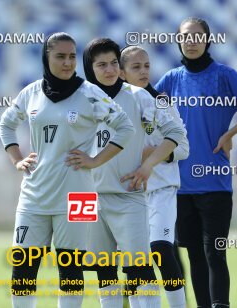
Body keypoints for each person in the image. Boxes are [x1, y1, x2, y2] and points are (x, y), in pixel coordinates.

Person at [0, 32, 135, 308]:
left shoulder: (90, 93)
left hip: (79, 196)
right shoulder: (31, 92)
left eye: (72, 56)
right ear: (46, 58)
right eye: (60, 56)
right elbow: (6, 124)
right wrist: (17, 159)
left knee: (70, 271)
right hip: (34, 195)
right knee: (22, 268)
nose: (67, 62)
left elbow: (125, 127)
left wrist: (95, 160)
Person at [155, 17, 237, 308]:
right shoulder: (171, 80)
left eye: (198, 36)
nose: (192, 41)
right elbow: (146, 115)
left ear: (208, 40)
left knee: (215, 253)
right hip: (179, 186)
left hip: (216, 183)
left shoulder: (224, 76)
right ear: (178, 41)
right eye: (186, 36)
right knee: (195, 254)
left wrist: (231, 132)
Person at [78, 38, 186, 308]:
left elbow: (178, 137)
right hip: (86, 196)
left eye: (113, 63)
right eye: (101, 65)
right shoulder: (78, 100)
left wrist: (148, 164)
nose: (109, 69)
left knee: (142, 265)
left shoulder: (141, 98)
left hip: (133, 193)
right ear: (90, 68)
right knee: (100, 269)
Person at [120, 45, 188, 308]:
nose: (143, 71)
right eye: (136, 67)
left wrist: (155, 154)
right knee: (136, 259)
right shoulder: (114, 106)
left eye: (146, 66)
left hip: (161, 190)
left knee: (161, 249)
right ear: (123, 73)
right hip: (129, 193)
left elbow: (183, 147)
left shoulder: (162, 102)